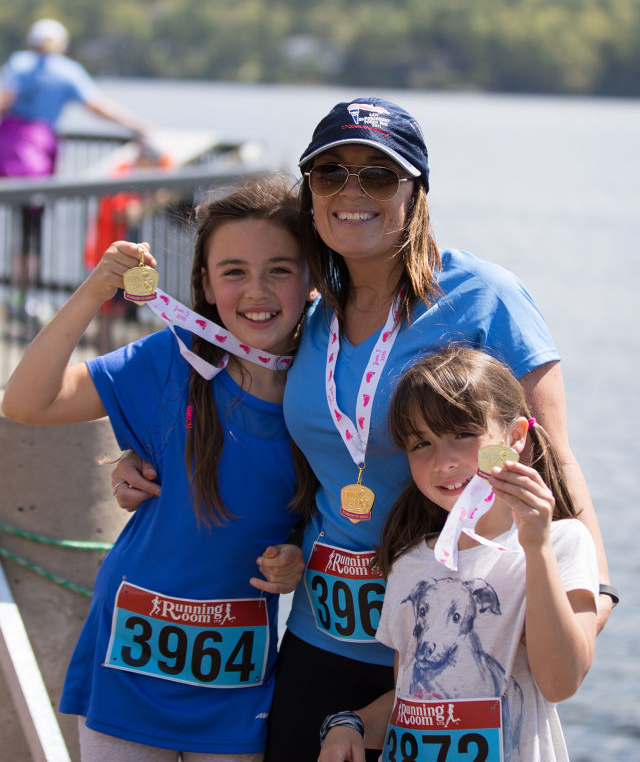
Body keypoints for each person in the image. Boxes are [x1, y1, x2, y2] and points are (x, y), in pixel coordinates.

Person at [112, 97, 614, 761]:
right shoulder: (310, 314)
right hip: (320, 634)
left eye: (378, 176)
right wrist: (140, 455)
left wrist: (593, 595)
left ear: (416, 192)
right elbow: (263, 422)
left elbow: (554, 458)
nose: (352, 192)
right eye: (331, 174)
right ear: (311, 195)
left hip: (447, 644)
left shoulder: (484, 296)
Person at [1, 173, 315, 761]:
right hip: (130, 664)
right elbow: (25, 402)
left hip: (237, 685)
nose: (257, 290)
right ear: (202, 281)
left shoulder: (329, 390)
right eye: (233, 272)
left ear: (313, 276)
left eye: (280, 268)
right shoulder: (173, 360)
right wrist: (95, 287)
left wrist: (300, 555)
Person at [317, 345, 598, 762]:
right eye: (420, 444)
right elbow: (415, 700)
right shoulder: (410, 562)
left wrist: (535, 545)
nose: (443, 462)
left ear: (515, 436)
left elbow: (560, 683)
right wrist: (347, 725)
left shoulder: (563, 542)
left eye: (463, 434)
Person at [0, 17, 151, 287]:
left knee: (19, 221)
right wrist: (137, 125)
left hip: (12, 149)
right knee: (31, 226)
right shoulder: (66, 71)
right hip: (38, 154)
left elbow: (4, 100)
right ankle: (25, 292)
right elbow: (97, 105)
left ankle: (17, 293)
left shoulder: (20, 64)